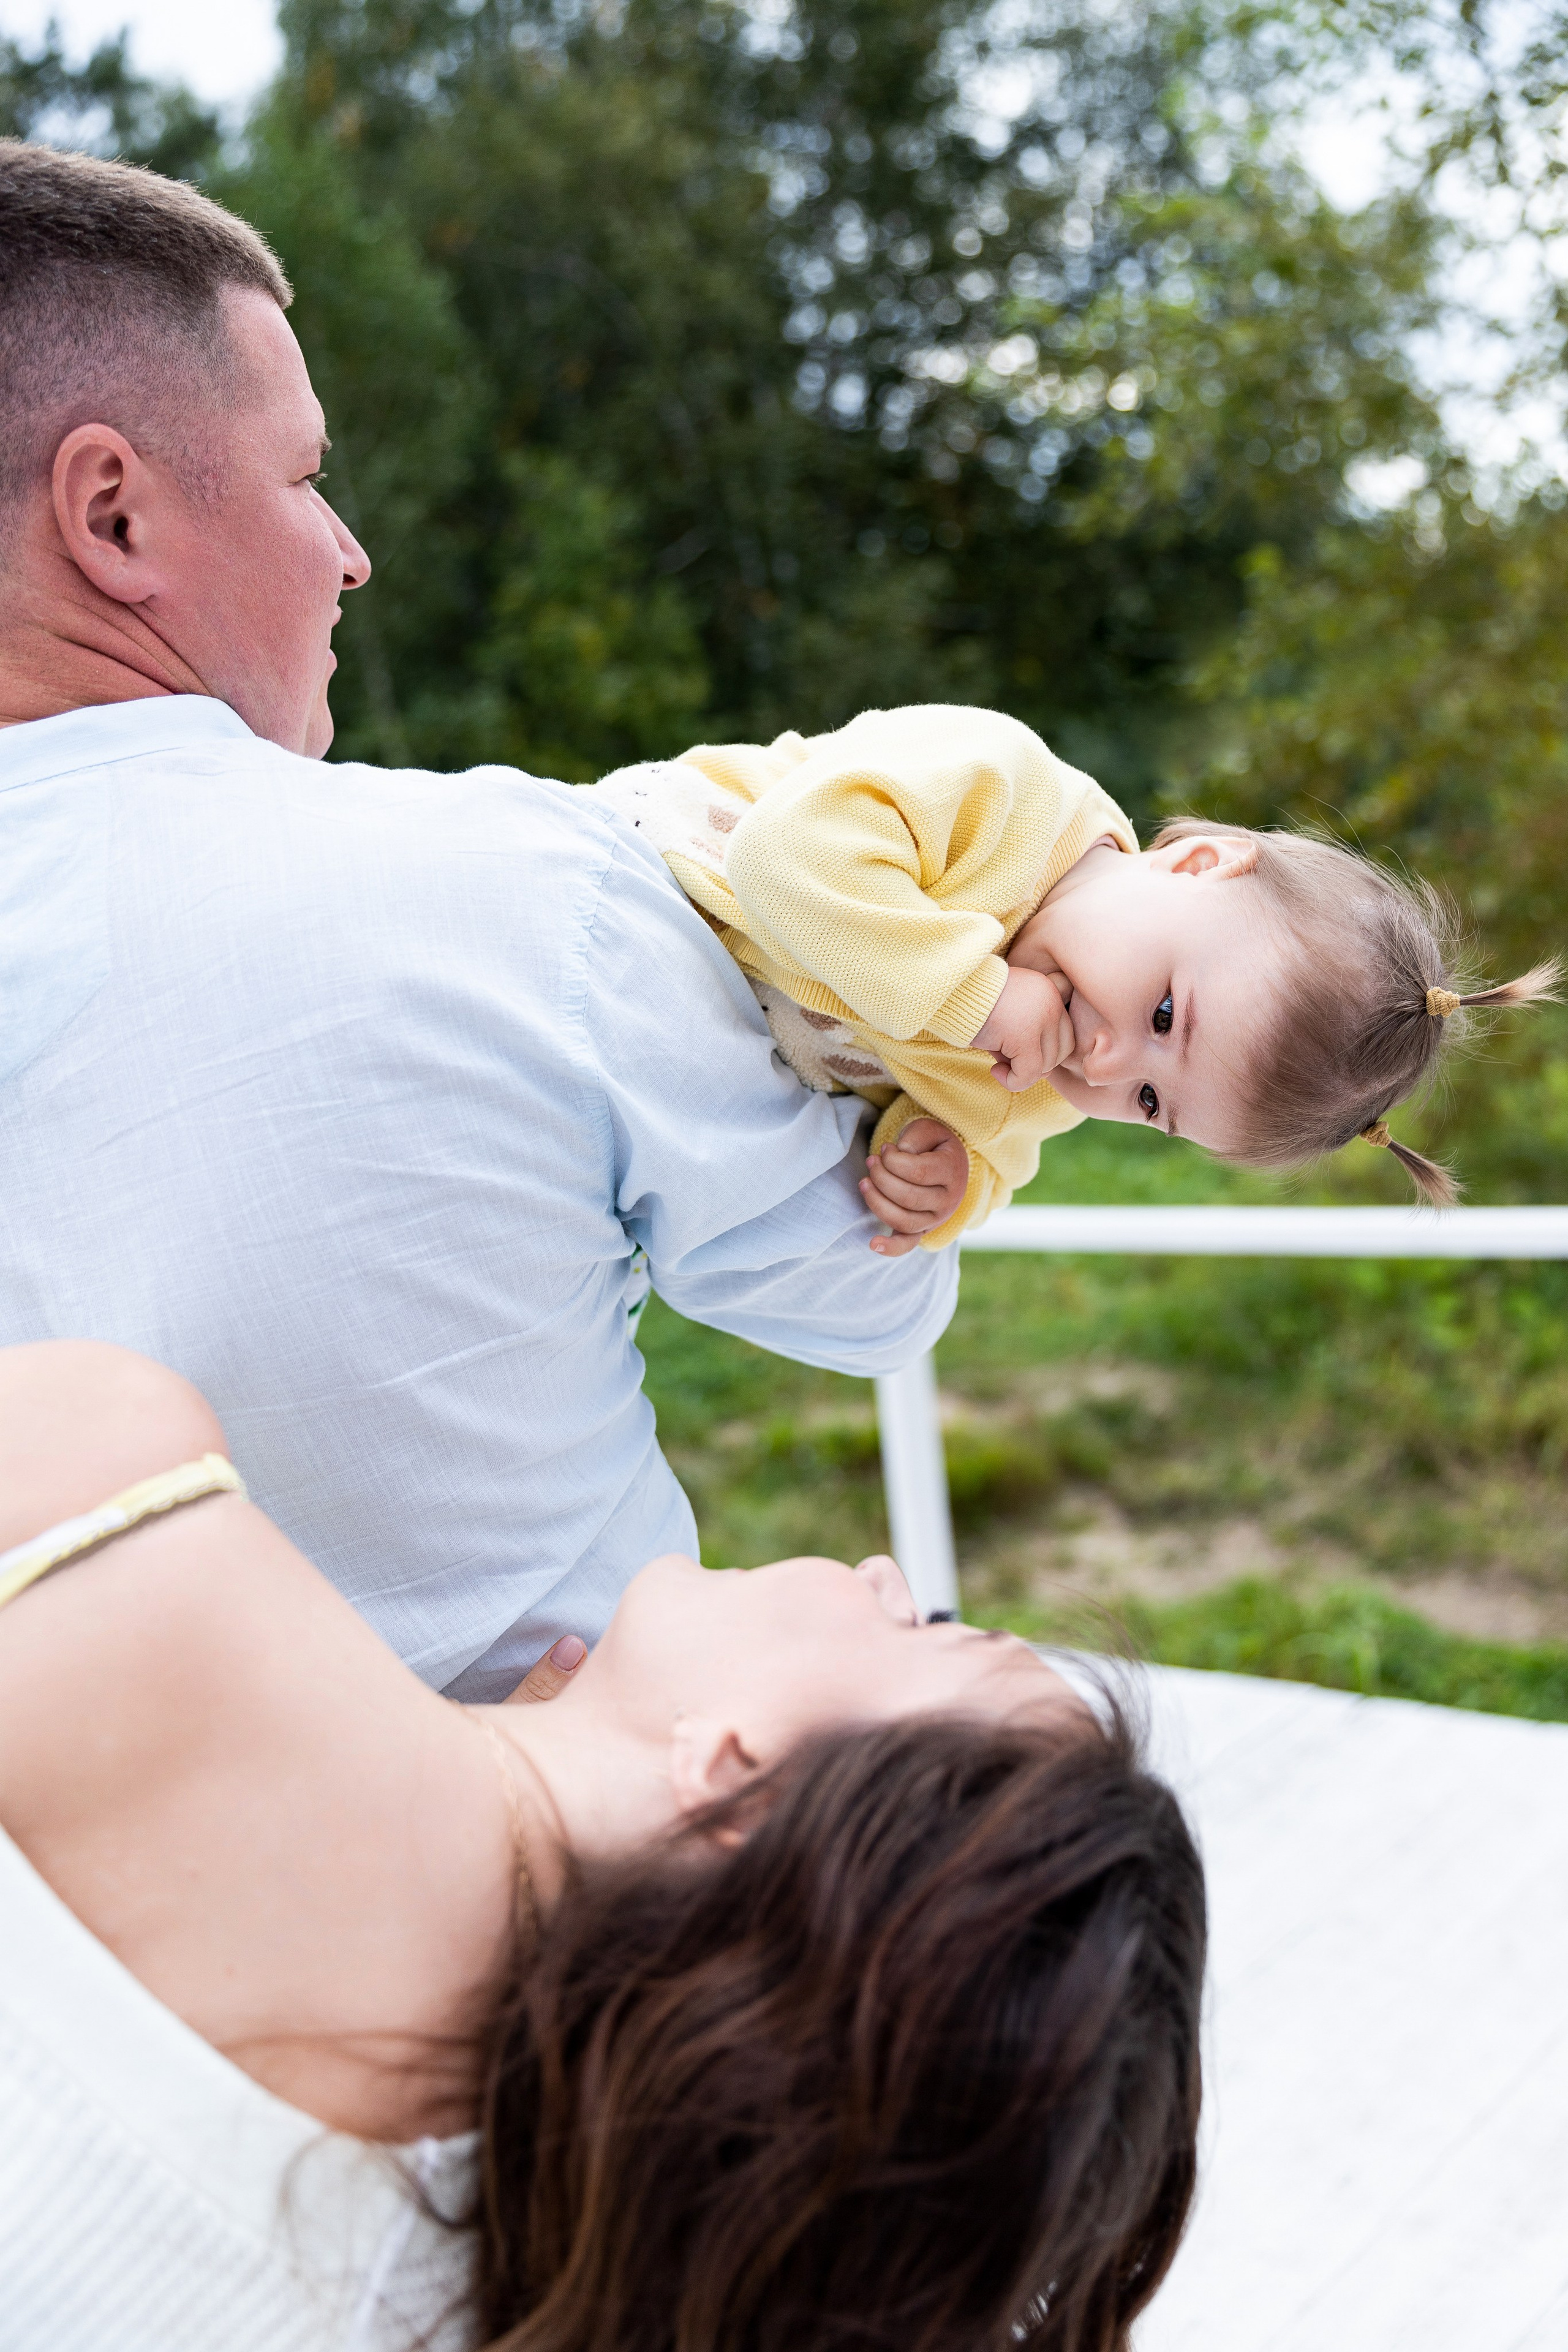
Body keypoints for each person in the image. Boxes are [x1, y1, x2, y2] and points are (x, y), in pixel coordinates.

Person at [0, 140, 955, 1702]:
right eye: (308, 479)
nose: (349, 554)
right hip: (591, 1912)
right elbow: (869, 1296)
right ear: (112, 516)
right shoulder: (518, 884)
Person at [0, 1340, 1207, 2352]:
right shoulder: (518, 2271)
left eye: (931, 1631)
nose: (886, 1574)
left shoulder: (123, 1507)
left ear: (740, 1780)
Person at [593, 712, 1561, 1246]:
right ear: (1197, 864)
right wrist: (968, 994)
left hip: (652, 1048)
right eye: (1167, 1013)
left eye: (1148, 1100)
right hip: (623, 878)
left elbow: (997, 1157)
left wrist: (949, 1181)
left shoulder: (1039, 1090)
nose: (1102, 1061)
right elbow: (785, 856)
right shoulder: (1006, 794)